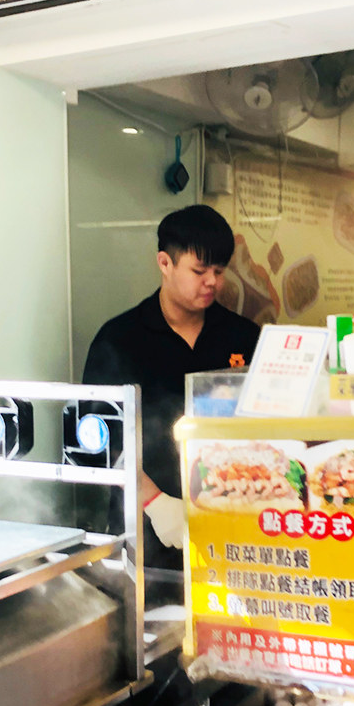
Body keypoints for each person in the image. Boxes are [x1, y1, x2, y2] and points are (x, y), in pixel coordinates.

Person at [82, 204, 260, 574]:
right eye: (199, 271)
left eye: (219, 271)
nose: (212, 282)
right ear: (165, 263)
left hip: (230, 526)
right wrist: (155, 503)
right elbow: (97, 440)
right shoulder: (119, 339)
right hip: (144, 532)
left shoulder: (243, 336)